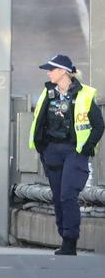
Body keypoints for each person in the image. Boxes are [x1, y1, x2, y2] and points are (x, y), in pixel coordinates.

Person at [29, 53, 103, 255]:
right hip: (52, 151)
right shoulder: (48, 93)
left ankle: (70, 240)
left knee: (68, 194)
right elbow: (40, 121)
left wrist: (87, 147)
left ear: (63, 72)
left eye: (51, 69)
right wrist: (41, 148)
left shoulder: (85, 94)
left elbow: (98, 125)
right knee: (58, 197)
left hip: (74, 151)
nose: (49, 73)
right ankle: (64, 236)